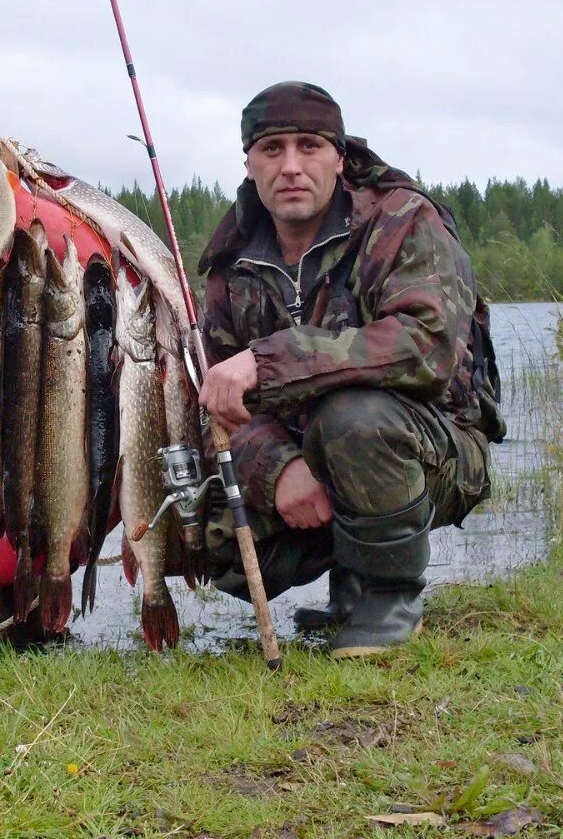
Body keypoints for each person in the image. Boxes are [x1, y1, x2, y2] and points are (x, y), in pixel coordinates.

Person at [196, 81, 505, 659]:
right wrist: (278, 470)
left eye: (309, 146)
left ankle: (387, 596)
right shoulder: (231, 263)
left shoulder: (403, 221)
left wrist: (270, 363)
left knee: (352, 419)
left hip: (437, 445)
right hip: (309, 454)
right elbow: (219, 402)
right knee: (197, 514)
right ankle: (350, 578)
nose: (291, 166)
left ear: (339, 157)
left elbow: (425, 347)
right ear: (249, 162)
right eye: (272, 149)